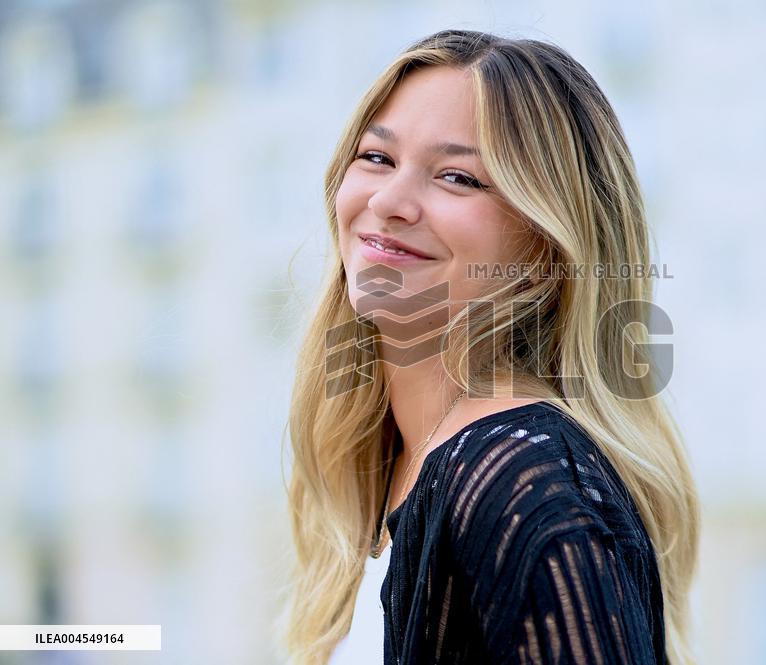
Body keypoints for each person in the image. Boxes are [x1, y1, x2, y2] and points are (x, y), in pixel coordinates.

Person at [283, 29, 700, 665]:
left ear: (545, 245)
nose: (389, 202)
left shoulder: (524, 486)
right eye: (377, 158)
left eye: (456, 177)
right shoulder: (391, 467)